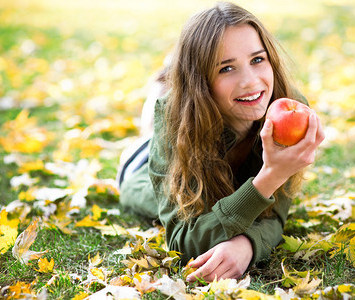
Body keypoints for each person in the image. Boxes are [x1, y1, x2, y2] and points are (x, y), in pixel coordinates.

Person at [118, 1, 325, 282]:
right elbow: (182, 237)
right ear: (202, 81)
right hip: (143, 160)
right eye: (226, 68)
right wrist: (270, 176)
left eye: (257, 60)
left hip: (195, 120)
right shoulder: (173, 120)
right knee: (137, 188)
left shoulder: (290, 108)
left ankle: (171, 74)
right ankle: (164, 83)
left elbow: (275, 216)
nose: (251, 82)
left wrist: (246, 245)